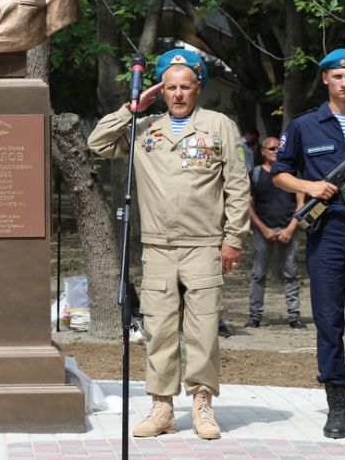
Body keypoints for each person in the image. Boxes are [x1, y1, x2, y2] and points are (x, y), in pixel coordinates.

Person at [88, 49, 249, 440]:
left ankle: (202, 404)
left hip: (205, 245)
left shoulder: (219, 126)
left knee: (204, 329)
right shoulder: (145, 128)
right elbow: (97, 142)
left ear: (198, 89)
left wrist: (234, 238)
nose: (178, 94)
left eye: (185, 87)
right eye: (171, 88)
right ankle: (161, 406)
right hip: (158, 247)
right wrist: (133, 107)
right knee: (158, 329)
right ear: (161, 91)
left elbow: (238, 185)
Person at [271, 48, 345, 440]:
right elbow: (279, 174)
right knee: (328, 322)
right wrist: (310, 187)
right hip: (328, 235)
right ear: (325, 79)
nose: (344, 83)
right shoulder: (306, 126)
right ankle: (336, 406)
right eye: (337, 77)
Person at [245, 136, 305, 330]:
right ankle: (255, 315)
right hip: (263, 231)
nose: (275, 151)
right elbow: (248, 205)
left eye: (278, 148)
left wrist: (291, 228)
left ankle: (294, 315)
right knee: (258, 274)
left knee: (291, 273)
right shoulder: (254, 174)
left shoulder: (292, 173)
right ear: (263, 151)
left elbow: (301, 203)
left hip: (289, 229)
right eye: (271, 148)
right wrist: (263, 229)